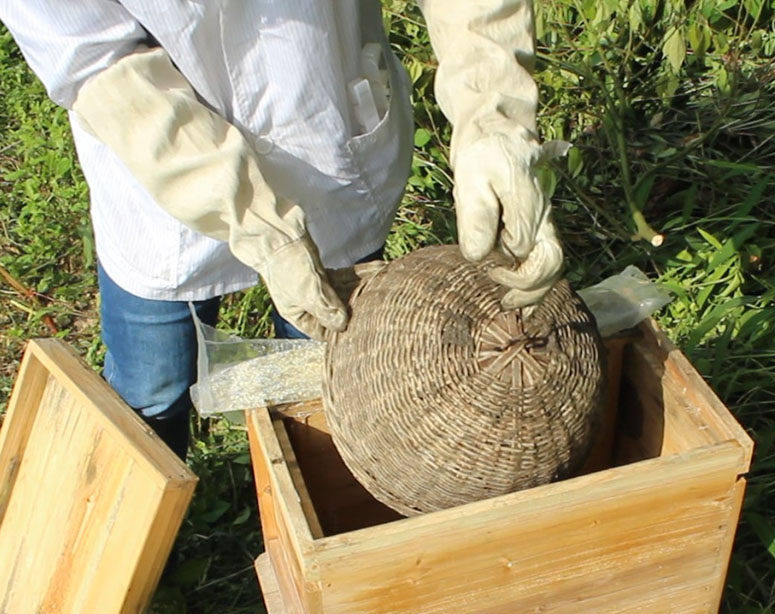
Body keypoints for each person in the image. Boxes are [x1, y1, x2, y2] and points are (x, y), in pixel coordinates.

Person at [0, 1, 564, 459]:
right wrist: (255, 224)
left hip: (327, 132)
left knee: (322, 377)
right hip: (159, 177)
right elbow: (98, 62)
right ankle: (148, 546)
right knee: (151, 392)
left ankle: (308, 491)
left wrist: (493, 116)